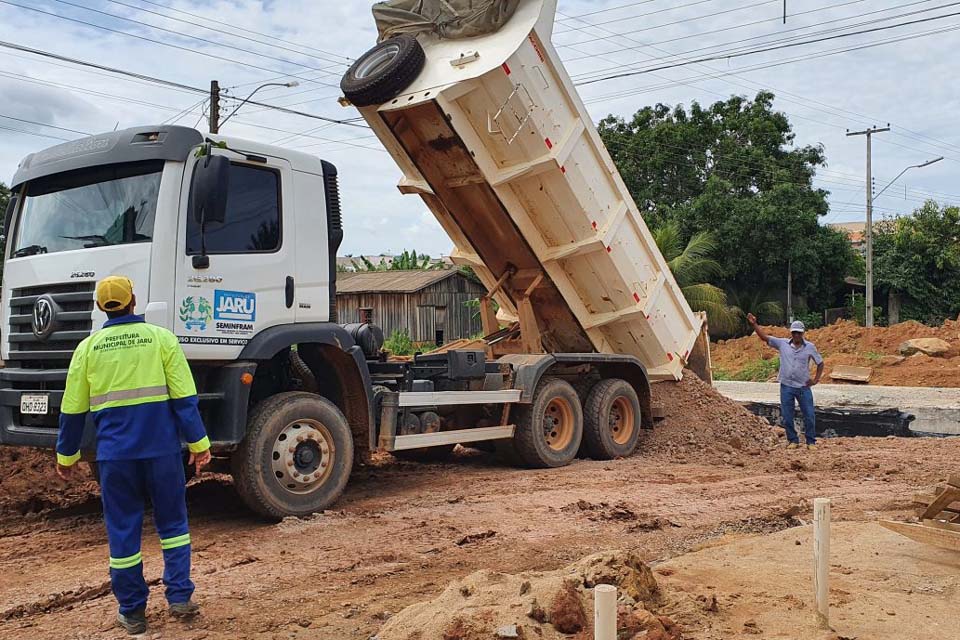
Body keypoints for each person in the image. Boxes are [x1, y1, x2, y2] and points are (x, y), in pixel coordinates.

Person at [55, 275, 212, 635]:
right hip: (161, 453)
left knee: (123, 530)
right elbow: (185, 402)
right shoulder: (161, 340)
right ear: (133, 300)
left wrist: (66, 456)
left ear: (99, 307)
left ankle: (132, 611)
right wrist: (200, 444)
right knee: (173, 525)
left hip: (115, 459)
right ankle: (179, 598)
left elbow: (73, 412)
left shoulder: (88, 349)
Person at [746, 314, 824, 451]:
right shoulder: (782, 344)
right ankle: (793, 440)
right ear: (791, 333)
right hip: (786, 386)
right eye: (794, 332)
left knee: (809, 415)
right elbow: (765, 337)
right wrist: (754, 324)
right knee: (787, 416)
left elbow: (820, 363)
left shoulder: (810, 347)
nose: (796, 335)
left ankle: (811, 442)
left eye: (799, 333)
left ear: (803, 333)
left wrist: (816, 379)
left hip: (803, 387)